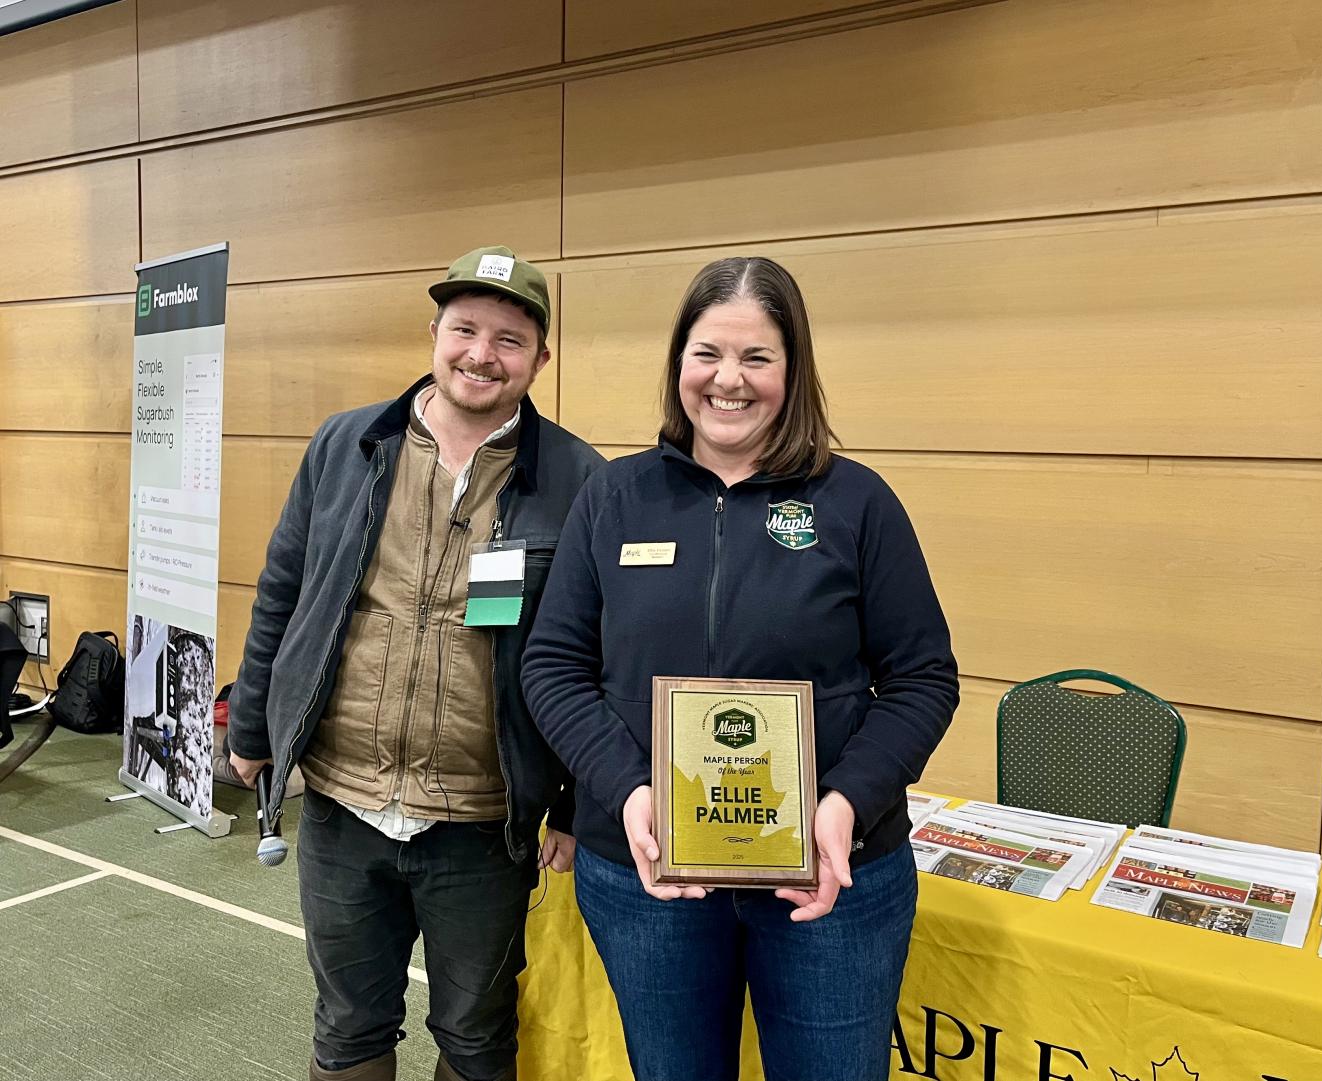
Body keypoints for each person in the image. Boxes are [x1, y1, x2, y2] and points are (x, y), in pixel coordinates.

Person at [521, 256, 959, 1081]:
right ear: (678, 362)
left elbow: (923, 678)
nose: (729, 380)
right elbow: (553, 666)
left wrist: (847, 802)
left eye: (757, 357)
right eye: (707, 353)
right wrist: (630, 789)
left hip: (832, 879)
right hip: (646, 874)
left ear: (793, 371)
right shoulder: (614, 498)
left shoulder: (856, 502)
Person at [226, 246, 603, 1081]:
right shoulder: (347, 444)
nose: (481, 352)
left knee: (476, 1035)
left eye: (509, 338)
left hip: (483, 818)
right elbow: (282, 588)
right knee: (349, 1025)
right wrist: (254, 723)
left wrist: (578, 802)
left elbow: (597, 656)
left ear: (541, 357)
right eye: (464, 328)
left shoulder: (581, 481)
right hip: (341, 799)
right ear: (433, 332)